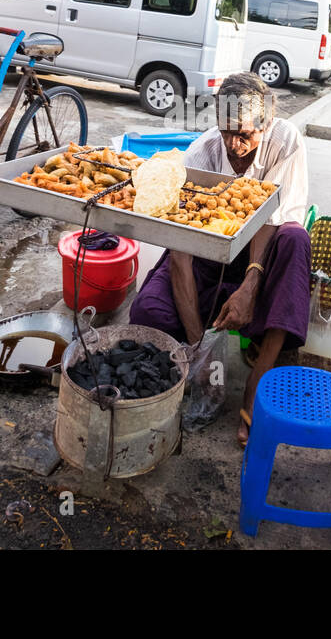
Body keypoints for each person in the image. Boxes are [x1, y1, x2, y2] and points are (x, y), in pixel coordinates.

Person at [129, 73, 311, 445]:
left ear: (267, 122)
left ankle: (259, 378)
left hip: (266, 251)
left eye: (245, 134)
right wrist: (201, 351)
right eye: (227, 131)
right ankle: (192, 352)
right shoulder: (201, 154)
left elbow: (273, 219)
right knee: (148, 312)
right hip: (209, 254)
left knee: (296, 239)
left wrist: (250, 285)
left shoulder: (285, 140)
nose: (234, 144)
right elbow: (180, 254)